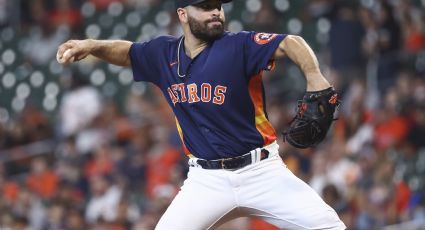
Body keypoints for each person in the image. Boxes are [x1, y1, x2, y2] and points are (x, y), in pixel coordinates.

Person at [56, 0, 346, 229]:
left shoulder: (238, 45)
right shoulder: (163, 54)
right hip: (206, 181)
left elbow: (290, 42)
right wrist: (91, 45)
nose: (216, 12)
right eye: (205, 7)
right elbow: (127, 52)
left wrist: (314, 76)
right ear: (183, 14)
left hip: (261, 171)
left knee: (328, 226)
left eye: (217, 6)